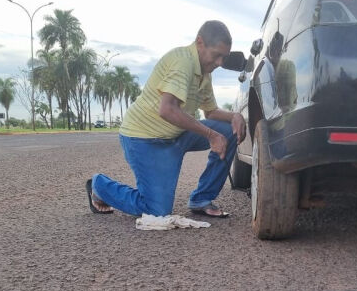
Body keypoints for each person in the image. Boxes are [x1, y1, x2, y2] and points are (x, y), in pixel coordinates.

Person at [86, 20, 246, 220]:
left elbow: (210, 111)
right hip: (144, 138)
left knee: (226, 130)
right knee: (156, 210)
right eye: (217, 55)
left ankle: (201, 199)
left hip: (175, 134)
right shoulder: (183, 62)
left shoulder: (204, 71)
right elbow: (167, 109)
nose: (220, 63)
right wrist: (211, 135)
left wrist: (235, 116)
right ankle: (100, 186)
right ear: (200, 42)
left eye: (225, 57)